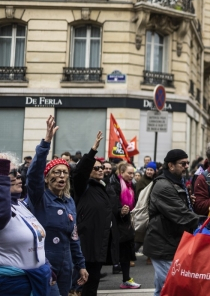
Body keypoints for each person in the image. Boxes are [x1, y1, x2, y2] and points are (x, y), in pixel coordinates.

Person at [27, 115, 88, 295]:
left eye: (64, 172)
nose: (61, 176)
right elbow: (33, 176)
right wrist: (46, 142)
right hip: (43, 265)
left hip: (65, 265)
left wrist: (81, 265)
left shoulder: (69, 202)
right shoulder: (39, 198)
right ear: (47, 178)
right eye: (57, 172)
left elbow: (74, 237)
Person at [145, 149, 199, 296]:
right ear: (171, 165)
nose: (187, 166)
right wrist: (204, 224)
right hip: (163, 244)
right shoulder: (163, 186)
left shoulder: (176, 182)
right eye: (182, 163)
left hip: (171, 241)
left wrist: (188, 201)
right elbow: (181, 214)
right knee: (171, 287)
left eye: (187, 163)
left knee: (162, 288)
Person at [72, 131, 120, 296]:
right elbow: (79, 173)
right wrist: (93, 151)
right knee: (80, 286)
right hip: (85, 243)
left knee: (92, 286)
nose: (101, 170)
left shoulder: (103, 186)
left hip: (99, 243)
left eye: (102, 168)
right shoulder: (82, 186)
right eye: (96, 168)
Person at [0, 154, 54, 296]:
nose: (19, 176)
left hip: (38, 279)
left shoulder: (20, 204)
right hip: (12, 285)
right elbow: (2, 214)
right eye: (11, 173)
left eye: (17, 172)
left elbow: (34, 240)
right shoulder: (4, 210)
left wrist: (46, 264)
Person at [107, 162, 140, 289]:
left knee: (126, 252)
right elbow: (112, 202)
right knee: (116, 252)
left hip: (127, 222)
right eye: (129, 173)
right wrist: (120, 210)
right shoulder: (114, 184)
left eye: (133, 173)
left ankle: (126, 279)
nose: (132, 176)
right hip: (116, 223)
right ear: (121, 173)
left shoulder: (131, 185)